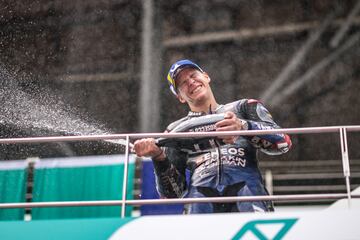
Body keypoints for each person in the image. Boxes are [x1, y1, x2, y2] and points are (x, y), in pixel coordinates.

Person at [134, 59, 292, 214]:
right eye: (182, 83)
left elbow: (283, 143)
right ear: (180, 97)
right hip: (200, 203)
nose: (190, 82)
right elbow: (171, 195)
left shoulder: (245, 107)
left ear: (206, 77)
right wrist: (158, 157)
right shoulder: (175, 131)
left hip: (249, 194)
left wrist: (243, 126)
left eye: (193, 75)